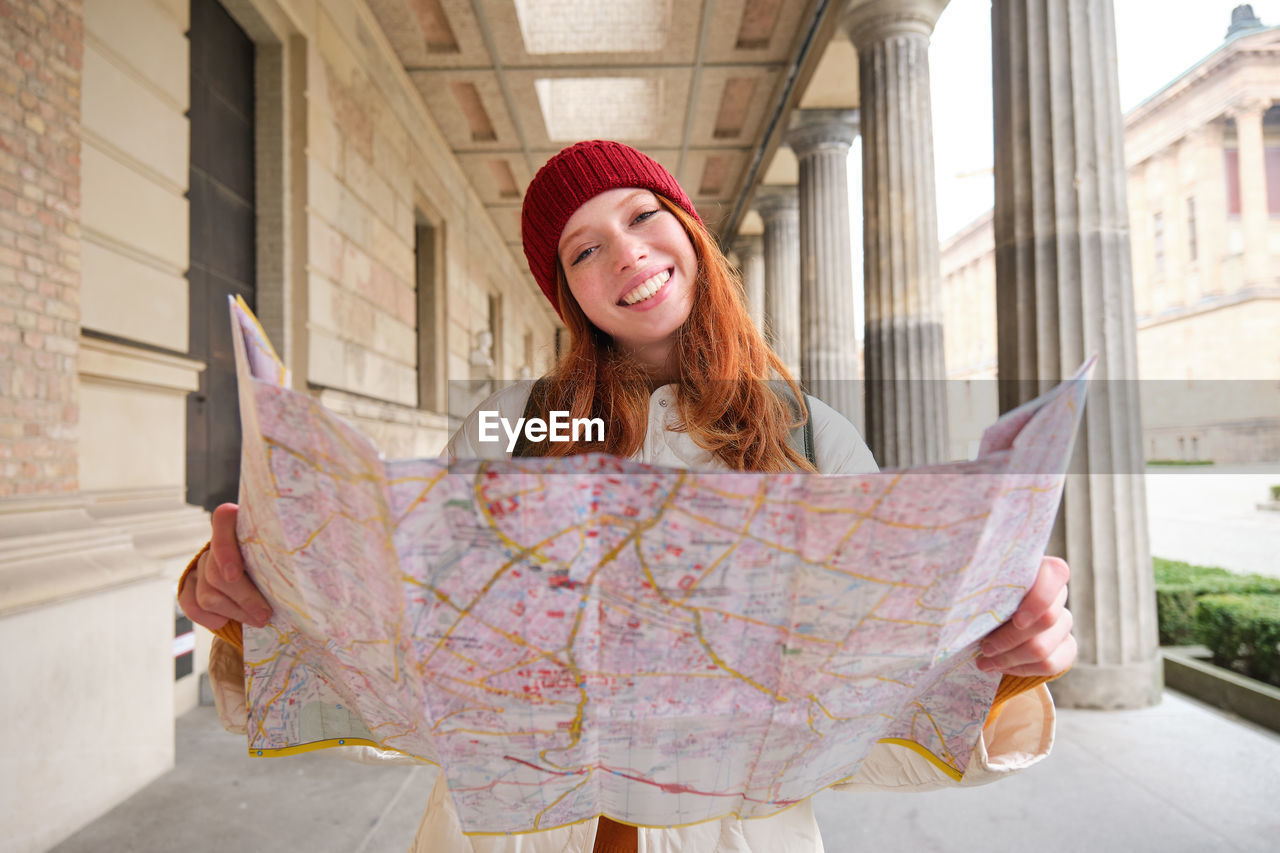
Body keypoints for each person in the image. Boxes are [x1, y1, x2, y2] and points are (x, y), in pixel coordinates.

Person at [179, 140, 1076, 853]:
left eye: (644, 215)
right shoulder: (514, 426)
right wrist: (256, 598)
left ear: (688, 228)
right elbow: (398, 631)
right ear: (568, 292)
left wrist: (1005, 659)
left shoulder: (813, 439)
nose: (629, 253)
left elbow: (878, 711)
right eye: (585, 248)